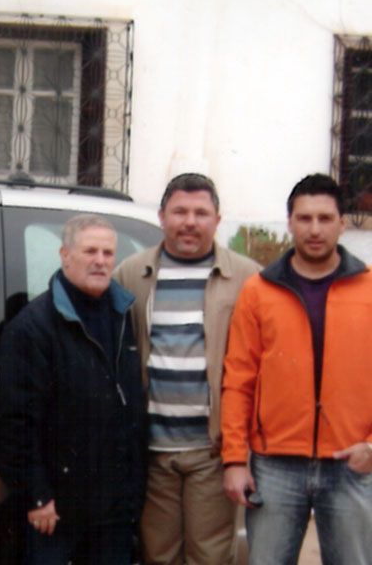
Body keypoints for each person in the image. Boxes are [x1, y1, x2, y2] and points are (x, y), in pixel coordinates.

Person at [222, 174, 372, 565]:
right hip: (275, 465)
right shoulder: (259, 291)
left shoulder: (369, 289)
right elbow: (238, 380)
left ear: (343, 222)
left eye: (325, 218)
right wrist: (236, 460)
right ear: (289, 222)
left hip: (351, 462)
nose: (315, 229)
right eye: (304, 219)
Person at [115, 173, 260, 565]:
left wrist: (238, 453)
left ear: (217, 219)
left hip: (212, 451)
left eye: (201, 212)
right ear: (162, 216)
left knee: (210, 557)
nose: (190, 221)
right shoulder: (132, 273)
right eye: (180, 211)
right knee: (157, 555)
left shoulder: (247, 278)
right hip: (153, 450)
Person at [0, 214, 145, 565]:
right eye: (90, 250)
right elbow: (14, 422)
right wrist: (36, 496)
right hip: (57, 510)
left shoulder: (124, 317)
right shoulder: (33, 328)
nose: (100, 261)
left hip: (114, 510)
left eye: (108, 253)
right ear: (64, 254)